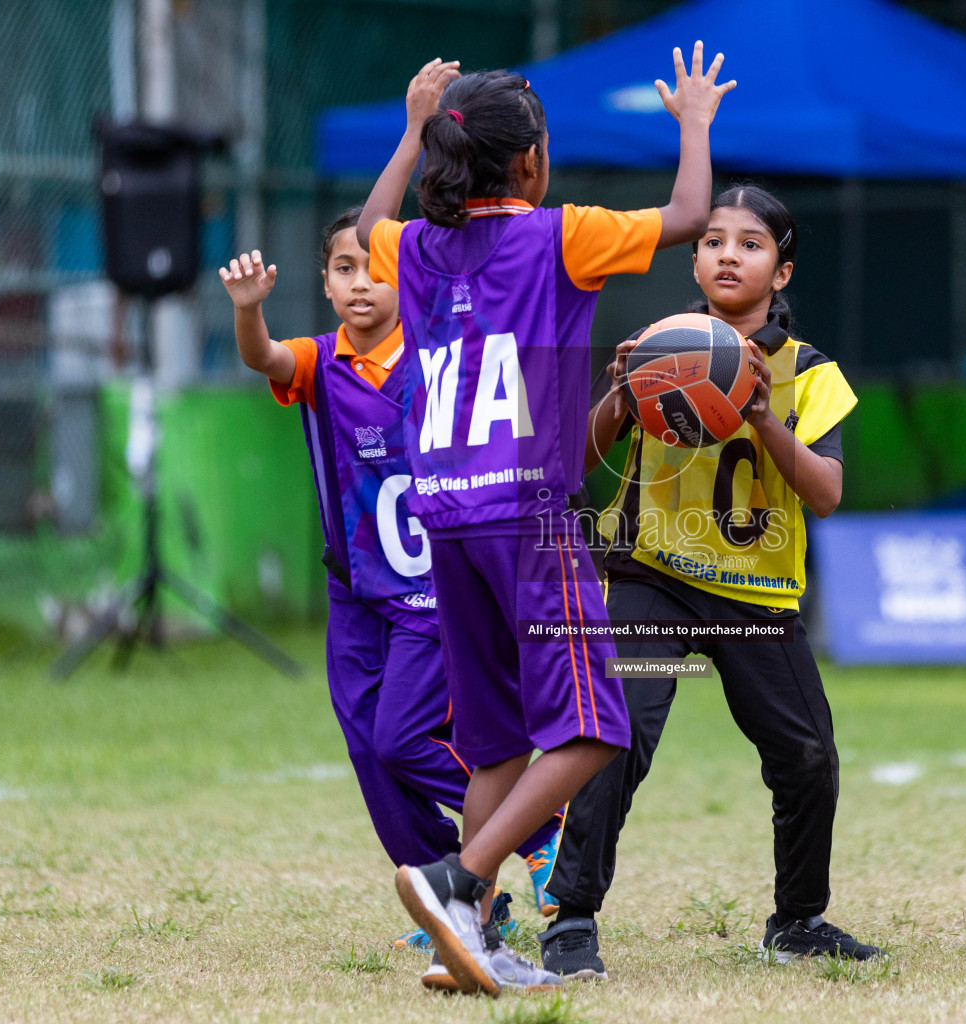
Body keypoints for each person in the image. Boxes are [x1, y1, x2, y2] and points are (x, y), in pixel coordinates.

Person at [357, 44, 735, 996]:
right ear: (528, 163)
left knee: (496, 744)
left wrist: (407, 135)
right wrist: (693, 121)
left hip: (447, 516)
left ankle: (469, 941)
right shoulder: (559, 235)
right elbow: (690, 214)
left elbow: (370, 227)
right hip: (529, 516)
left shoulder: (416, 248)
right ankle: (460, 880)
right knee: (595, 728)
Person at [215, 58, 560, 995]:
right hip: (355, 589)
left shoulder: (438, 349)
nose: (361, 281)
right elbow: (261, 358)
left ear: (405, 276)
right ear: (325, 286)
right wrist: (247, 314)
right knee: (370, 752)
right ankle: (441, 900)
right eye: (341, 268)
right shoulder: (321, 363)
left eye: (372, 265)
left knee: (408, 740)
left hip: (429, 594)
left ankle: (518, 839)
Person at [537, 185, 876, 980]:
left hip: (754, 597)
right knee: (613, 735)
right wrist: (620, 398)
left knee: (807, 753)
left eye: (751, 244)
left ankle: (797, 922)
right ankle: (571, 917)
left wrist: (760, 416)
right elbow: (571, 467)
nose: (728, 253)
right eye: (714, 240)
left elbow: (825, 495)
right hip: (653, 576)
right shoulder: (656, 346)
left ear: (781, 272)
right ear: (693, 258)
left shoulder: (809, 372)